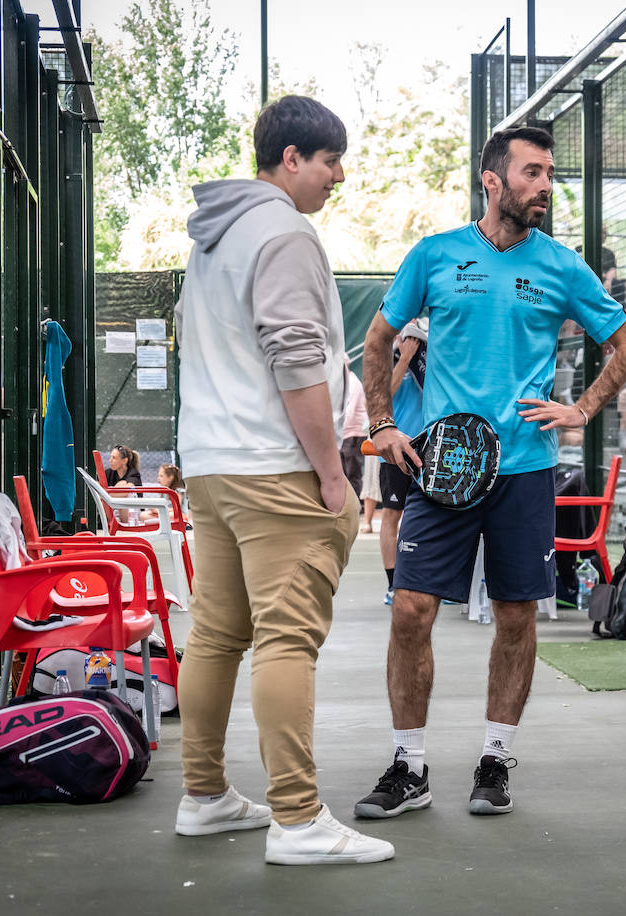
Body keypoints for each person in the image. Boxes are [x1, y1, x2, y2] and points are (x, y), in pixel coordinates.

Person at [356, 125, 626, 822]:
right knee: (410, 612)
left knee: (516, 617)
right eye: (533, 172)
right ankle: (408, 766)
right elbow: (377, 338)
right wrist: (382, 424)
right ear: (493, 180)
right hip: (443, 468)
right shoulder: (435, 255)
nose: (546, 185)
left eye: (549, 174)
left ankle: (494, 757)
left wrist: (581, 407)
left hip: (525, 471)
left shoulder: (562, 267)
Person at [171, 95, 393, 865]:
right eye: (329, 160)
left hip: (212, 464)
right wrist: (333, 471)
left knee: (219, 633)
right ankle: (297, 821)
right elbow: (297, 356)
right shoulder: (285, 233)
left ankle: (203, 796)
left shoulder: (215, 238)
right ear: (290, 160)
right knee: (286, 640)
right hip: (274, 468)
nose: (338, 176)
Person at [378, 321, 427, 605]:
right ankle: (392, 584)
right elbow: (385, 394)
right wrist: (405, 357)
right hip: (396, 447)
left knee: (435, 515)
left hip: (428, 448)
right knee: (392, 514)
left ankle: (431, 580)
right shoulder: (388, 355)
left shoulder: (429, 357)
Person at [340, 359, 368, 499]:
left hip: (354, 435)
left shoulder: (353, 383)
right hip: (346, 435)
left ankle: (355, 506)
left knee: (353, 474)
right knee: (345, 474)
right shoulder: (344, 382)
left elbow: (350, 412)